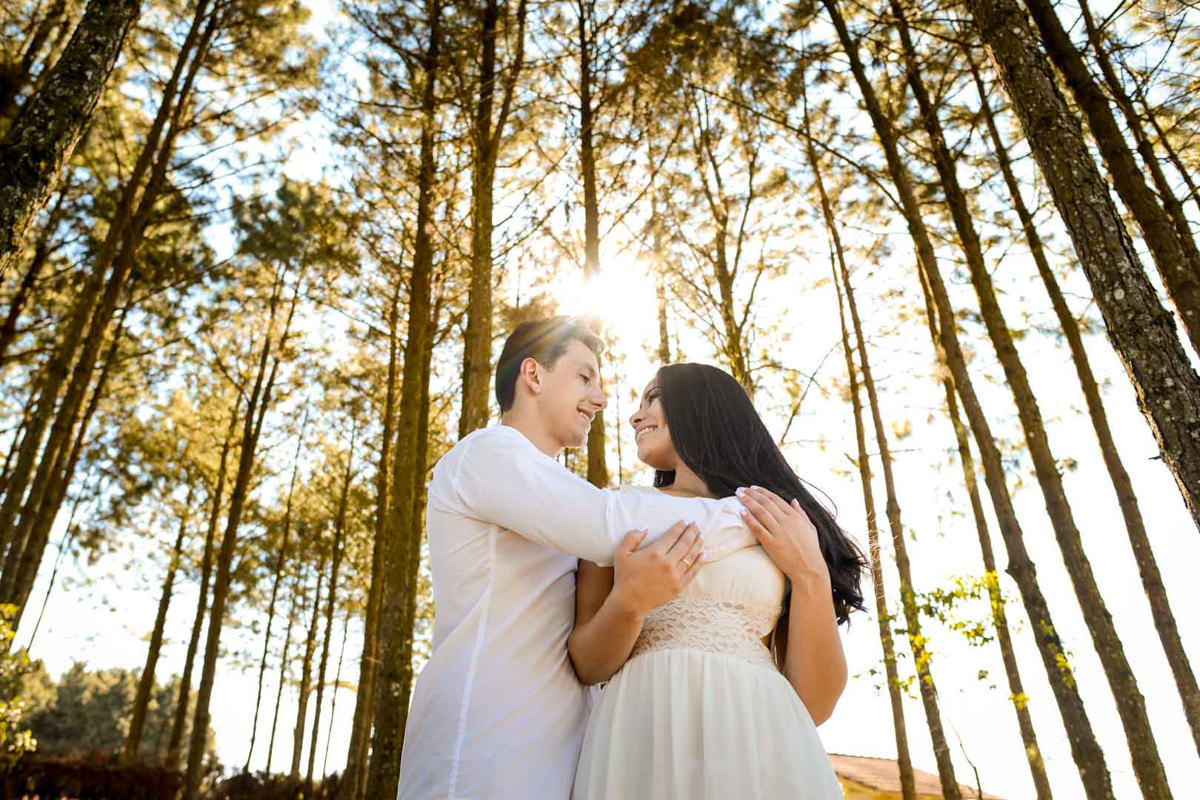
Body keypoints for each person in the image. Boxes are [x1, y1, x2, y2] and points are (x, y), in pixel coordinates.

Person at [397, 318, 758, 800]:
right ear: (534, 375)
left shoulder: (554, 491)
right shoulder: (486, 455)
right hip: (482, 752)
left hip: (558, 756)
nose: (602, 399)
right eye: (584, 377)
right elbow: (610, 524)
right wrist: (749, 511)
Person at [570, 362, 869, 800]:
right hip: (644, 731)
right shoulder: (618, 511)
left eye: (653, 398)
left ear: (702, 406)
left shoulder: (776, 518)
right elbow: (587, 663)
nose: (636, 416)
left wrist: (810, 574)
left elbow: (816, 704)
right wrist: (630, 602)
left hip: (761, 737)